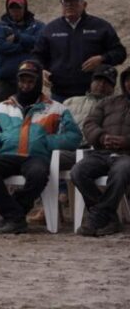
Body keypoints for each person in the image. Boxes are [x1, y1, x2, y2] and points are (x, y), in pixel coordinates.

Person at [0, 60, 81, 234]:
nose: (25, 85)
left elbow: (74, 137)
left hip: (36, 157)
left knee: (39, 174)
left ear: (38, 83)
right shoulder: (2, 108)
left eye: (30, 81)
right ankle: (15, 216)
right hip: (8, 155)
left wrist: (48, 142)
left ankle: (13, 214)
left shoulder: (56, 108)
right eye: (22, 81)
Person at [27, 64, 118, 224]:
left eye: (107, 82)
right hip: (65, 148)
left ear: (113, 87)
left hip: (91, 152)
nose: (101, 85)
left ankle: (99, 211)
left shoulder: (115, 105)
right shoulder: (71, 101)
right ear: (91, 82)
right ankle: (49, 206)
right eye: (98, 80)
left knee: (49, 158)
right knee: (37, 156)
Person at [33, 0, 126, 102]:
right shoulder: (50, 29)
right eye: (65, 1)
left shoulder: (101, 26)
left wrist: (102, 58)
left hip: (94, 95)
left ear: (84, 5)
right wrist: (40, 69)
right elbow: (37, 55)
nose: (69, 5)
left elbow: (120, 53)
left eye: (74, 1)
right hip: (60, 95)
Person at [71, 66, 130, 236]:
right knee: (78, 171)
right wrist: (102, 137)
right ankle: (109, 217)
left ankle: (98, 217)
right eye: (127, 79)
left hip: (127, 155)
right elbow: (89, 124)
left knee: (120, 172)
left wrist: (125, 141)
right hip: (102, 152)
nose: (129, 83)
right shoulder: (108, 102)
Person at [0, 0, 45, 102]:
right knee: (4, 114)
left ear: (24, 8)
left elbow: (40, 44)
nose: (15, 12)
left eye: (18, 8)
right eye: (12, 9)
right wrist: (25, 47)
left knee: (31, 114)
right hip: (7, 81)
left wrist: (18, 37)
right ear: (8, 9)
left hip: (31, 81)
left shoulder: (38, 26)